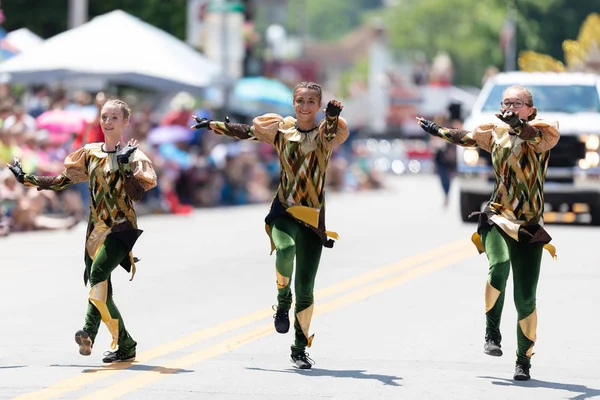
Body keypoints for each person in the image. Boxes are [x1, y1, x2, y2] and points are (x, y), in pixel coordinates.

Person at [190, 82, 349, 369]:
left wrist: (333, 117)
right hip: (284, 210)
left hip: (313, 219)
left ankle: (299, 348)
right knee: (284, 250)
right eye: (300, 100)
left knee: (307, 289)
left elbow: (327, 133)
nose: (304, 106)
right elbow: (247, 132)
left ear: (319, 104)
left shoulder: (328, 134)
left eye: (311, 101)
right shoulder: (280, 130)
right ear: (293, 103)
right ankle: (281, 300)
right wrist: (213, 125)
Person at [416, 84, 560, 381]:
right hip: (497, 216)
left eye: (518, 103)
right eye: (506, 102)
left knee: (526, 299)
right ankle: (492, 333)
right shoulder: (494, 133)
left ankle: (523, 361)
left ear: (531, 110)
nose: (510, 107)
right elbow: (463, 137)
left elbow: (532, 136)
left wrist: (519, 125)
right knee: (499, 265)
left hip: (529, 226)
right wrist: (434, 129)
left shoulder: (544, 133)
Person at [7, 99, 157, 363]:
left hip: (121, 229)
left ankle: (94, 332)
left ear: (125, 122)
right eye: (104, 117)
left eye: (113, 117)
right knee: (101, 287)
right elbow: (61, 181)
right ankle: (122, 344)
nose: (107, 122)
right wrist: (26, 179)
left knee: (98, 275)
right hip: (94, 231)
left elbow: (138, 195)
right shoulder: (89, 153)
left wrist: (124, 166)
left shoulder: (134, 156)